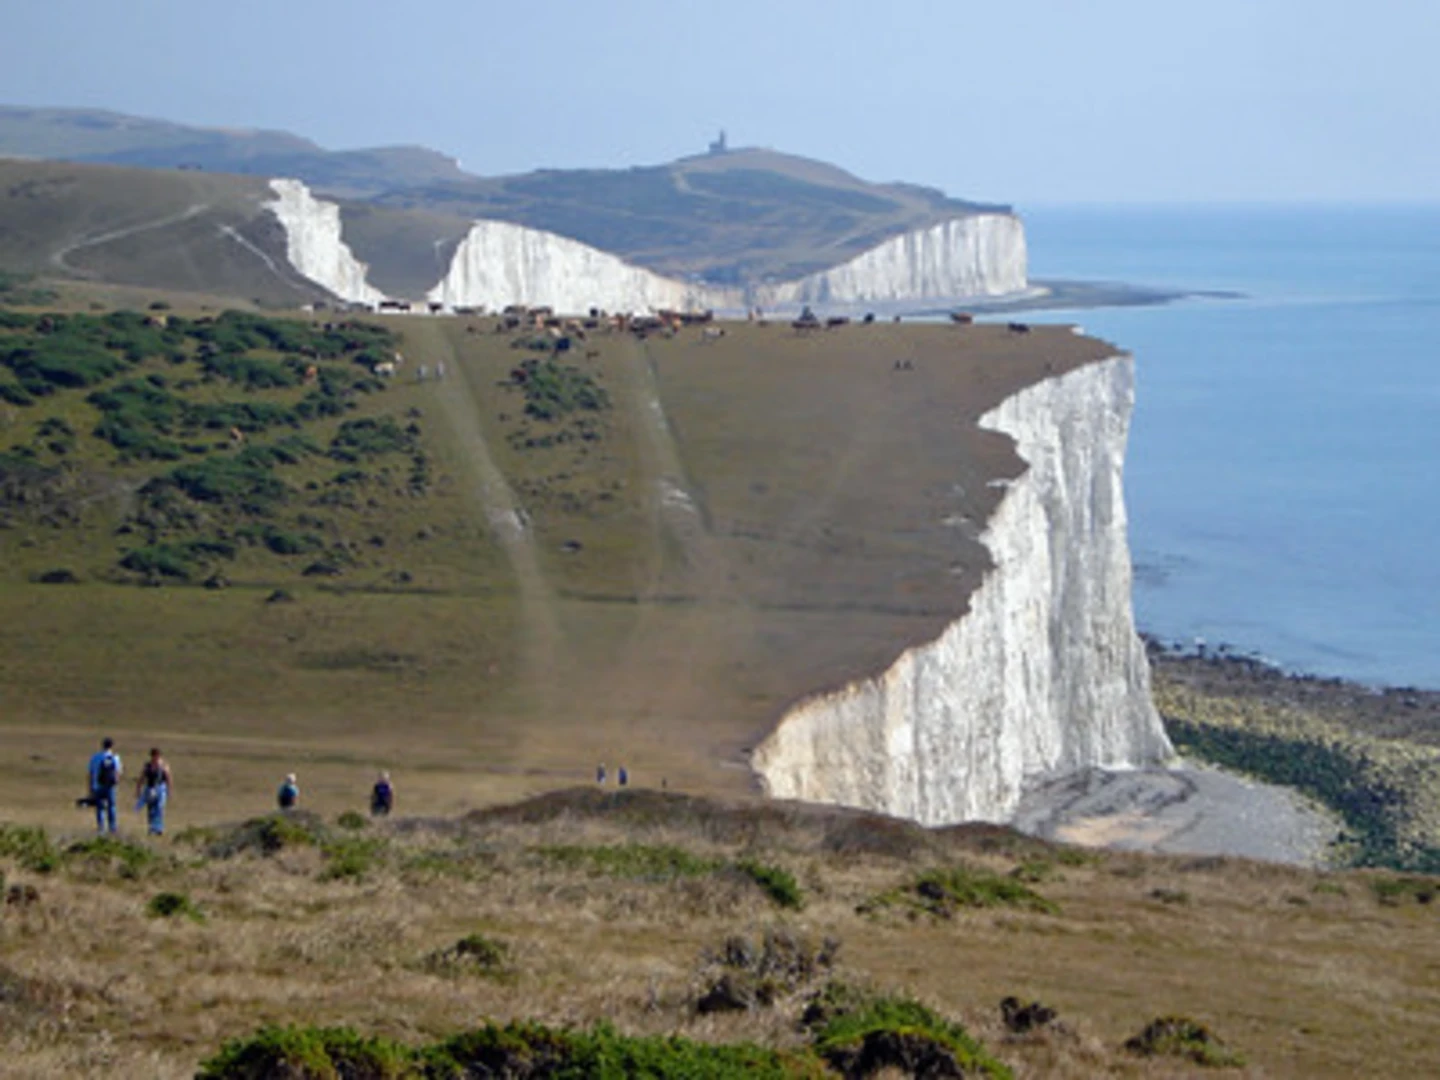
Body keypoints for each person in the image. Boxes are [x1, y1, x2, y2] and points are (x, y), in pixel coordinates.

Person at [87, 737, 123, 834]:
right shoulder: (115, 757)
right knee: (112, 806)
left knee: (100, 807)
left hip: (97, 785)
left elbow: (90, 773)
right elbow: (118, 772)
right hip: (110, 786)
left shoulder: (95, 757)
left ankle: (101, 827)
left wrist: (90, 787)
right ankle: (113, 827)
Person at [135, 747, 172, 836]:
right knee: (151, 809)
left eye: (156, 755)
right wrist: (138, 790)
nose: (155, 757)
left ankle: (159, 828)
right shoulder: (147, 766)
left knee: (159, 808)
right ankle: (152, 828)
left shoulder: (163, 766)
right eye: (153, 755)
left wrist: (169, 790)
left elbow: (168, 778)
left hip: (160, 788)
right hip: (150, 789)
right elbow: (141, 778)